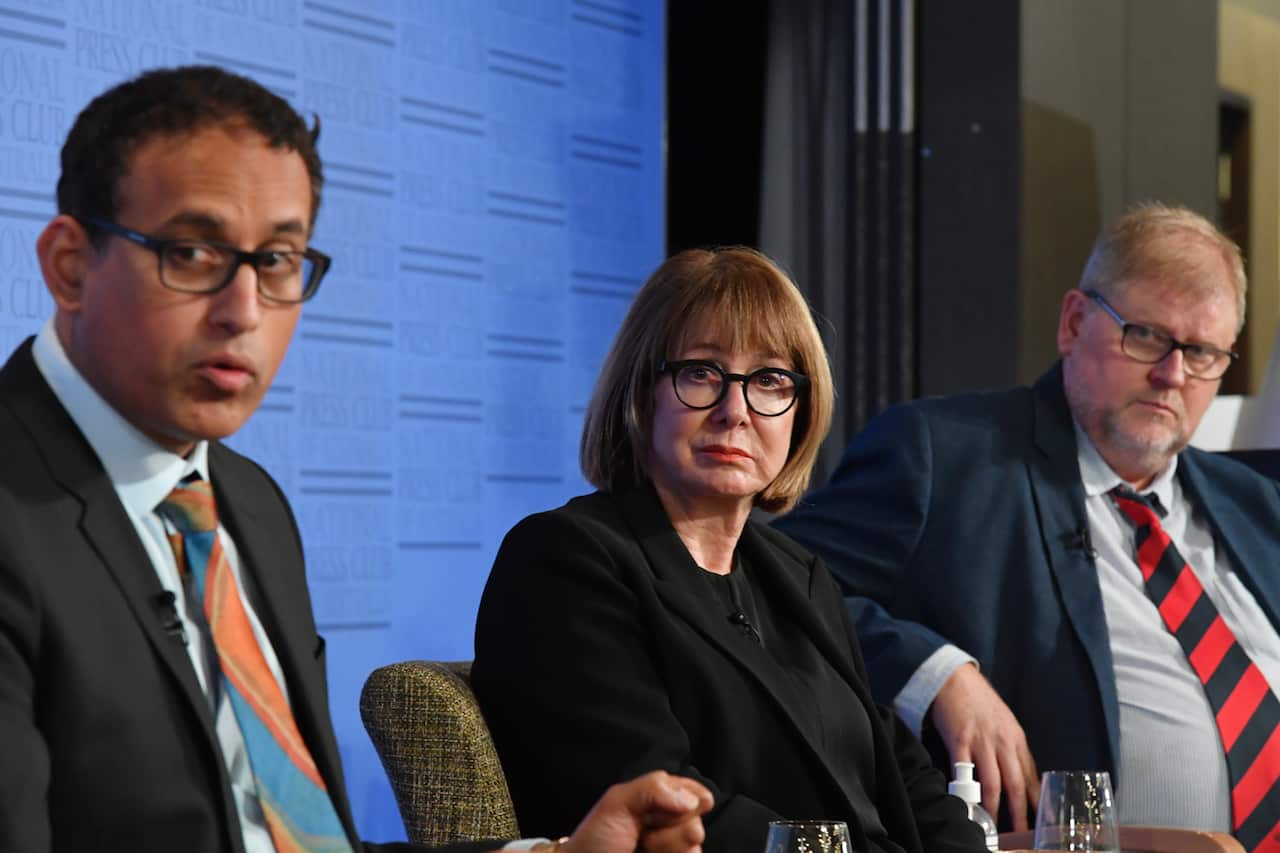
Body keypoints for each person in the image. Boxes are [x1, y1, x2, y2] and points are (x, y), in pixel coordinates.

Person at [0, 64, 714, 853]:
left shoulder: (250, 505)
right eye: (195, 252)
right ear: (70, 265)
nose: (243, 312)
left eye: (276, 259)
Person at [775, 203, 1280, 846]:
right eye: (1146, 335)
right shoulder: (946, 456)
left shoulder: (1256, 504)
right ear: (1073, 322)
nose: (1172, 374)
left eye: (1203, 352)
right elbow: (777, 585)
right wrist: (936, 671)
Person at [470, 247, 987, 853]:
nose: (734, 411)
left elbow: (898, 772)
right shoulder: (565, 562)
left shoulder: (799, 574)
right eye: (701, 373)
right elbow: (662, 809)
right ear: (642, 395)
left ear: (801, 409)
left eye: (769, 380)